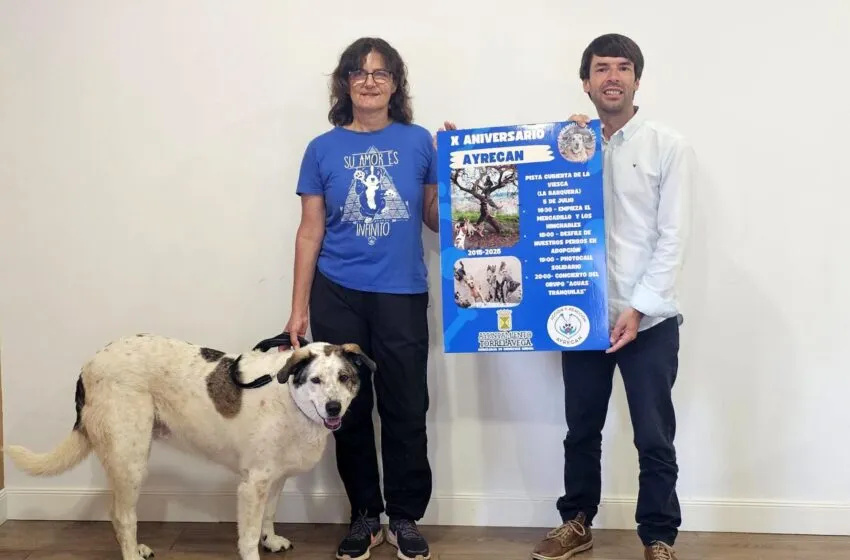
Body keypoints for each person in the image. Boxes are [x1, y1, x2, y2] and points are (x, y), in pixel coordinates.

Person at [529, 33, 696, 560]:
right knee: (581, 430)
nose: (613, 77)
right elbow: (519, 194)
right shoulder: (563, 148)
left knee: (653, 435)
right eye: (602, 68)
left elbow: (674, 237)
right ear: (586, 82)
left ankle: (659, 536)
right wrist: (458, 152)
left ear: (637, 80)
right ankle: (576, 522)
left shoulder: (668, 146)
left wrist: (639, 306)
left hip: (648, 319)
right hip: (582, 316)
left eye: (623, 68)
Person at [284, 37, 441, 560]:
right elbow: (310, 231)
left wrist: (462, 176)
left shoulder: (420, 141)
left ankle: (404, 516)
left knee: (406, 406)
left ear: (396, 84)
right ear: (345, 83)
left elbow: (435, 219)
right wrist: (298, 307)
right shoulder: (321, 148)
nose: (369, 80)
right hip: (338, 293)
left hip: (401, 293)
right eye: (359, 72)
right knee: (344, 409)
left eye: (380, 73)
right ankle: (365, 516)